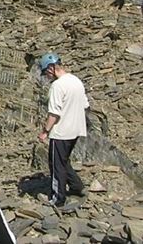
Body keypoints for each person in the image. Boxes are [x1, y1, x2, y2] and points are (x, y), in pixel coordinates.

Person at [36, 52, 90, 208]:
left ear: (52, 68)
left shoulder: (57, 86)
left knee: (56, 165)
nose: (47, 75)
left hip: (61, 132)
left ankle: (57, 198)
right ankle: (77, 187)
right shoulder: (76, 81)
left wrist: (45, 131)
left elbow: (54, 113)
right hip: (76, 130)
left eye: (46, 71)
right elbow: (85, 106)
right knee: (63, 160)